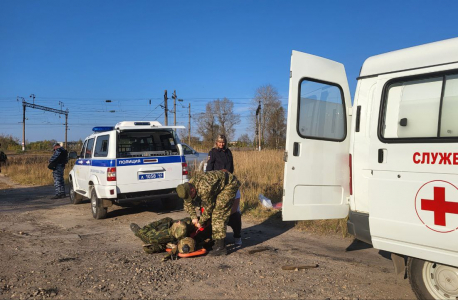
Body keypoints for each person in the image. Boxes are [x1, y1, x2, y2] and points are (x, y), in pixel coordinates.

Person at [176, 170, 241, 256]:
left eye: (189, 196)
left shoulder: (205, 188)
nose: (188, 198)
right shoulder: (187, 187)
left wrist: (201, 222)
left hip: (229, 184)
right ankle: (216, 238)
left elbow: (209, 208)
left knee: (218, 214)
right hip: (216, 186)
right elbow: (188, 203)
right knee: (210, 214)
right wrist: (194, 217)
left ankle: (220, 247)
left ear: (192, 190)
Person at [206, 134, 242, 246]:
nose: (221, 144)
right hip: (217, 182)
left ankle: (237, 236)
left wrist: (229, 176)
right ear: (216, 142)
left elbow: (231, 167)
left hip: (229, 180)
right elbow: (208, 170)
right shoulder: (212, 153)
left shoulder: (228, 152)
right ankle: (216, 237)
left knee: (236, 214)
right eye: (219, 142)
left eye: (223, 142)